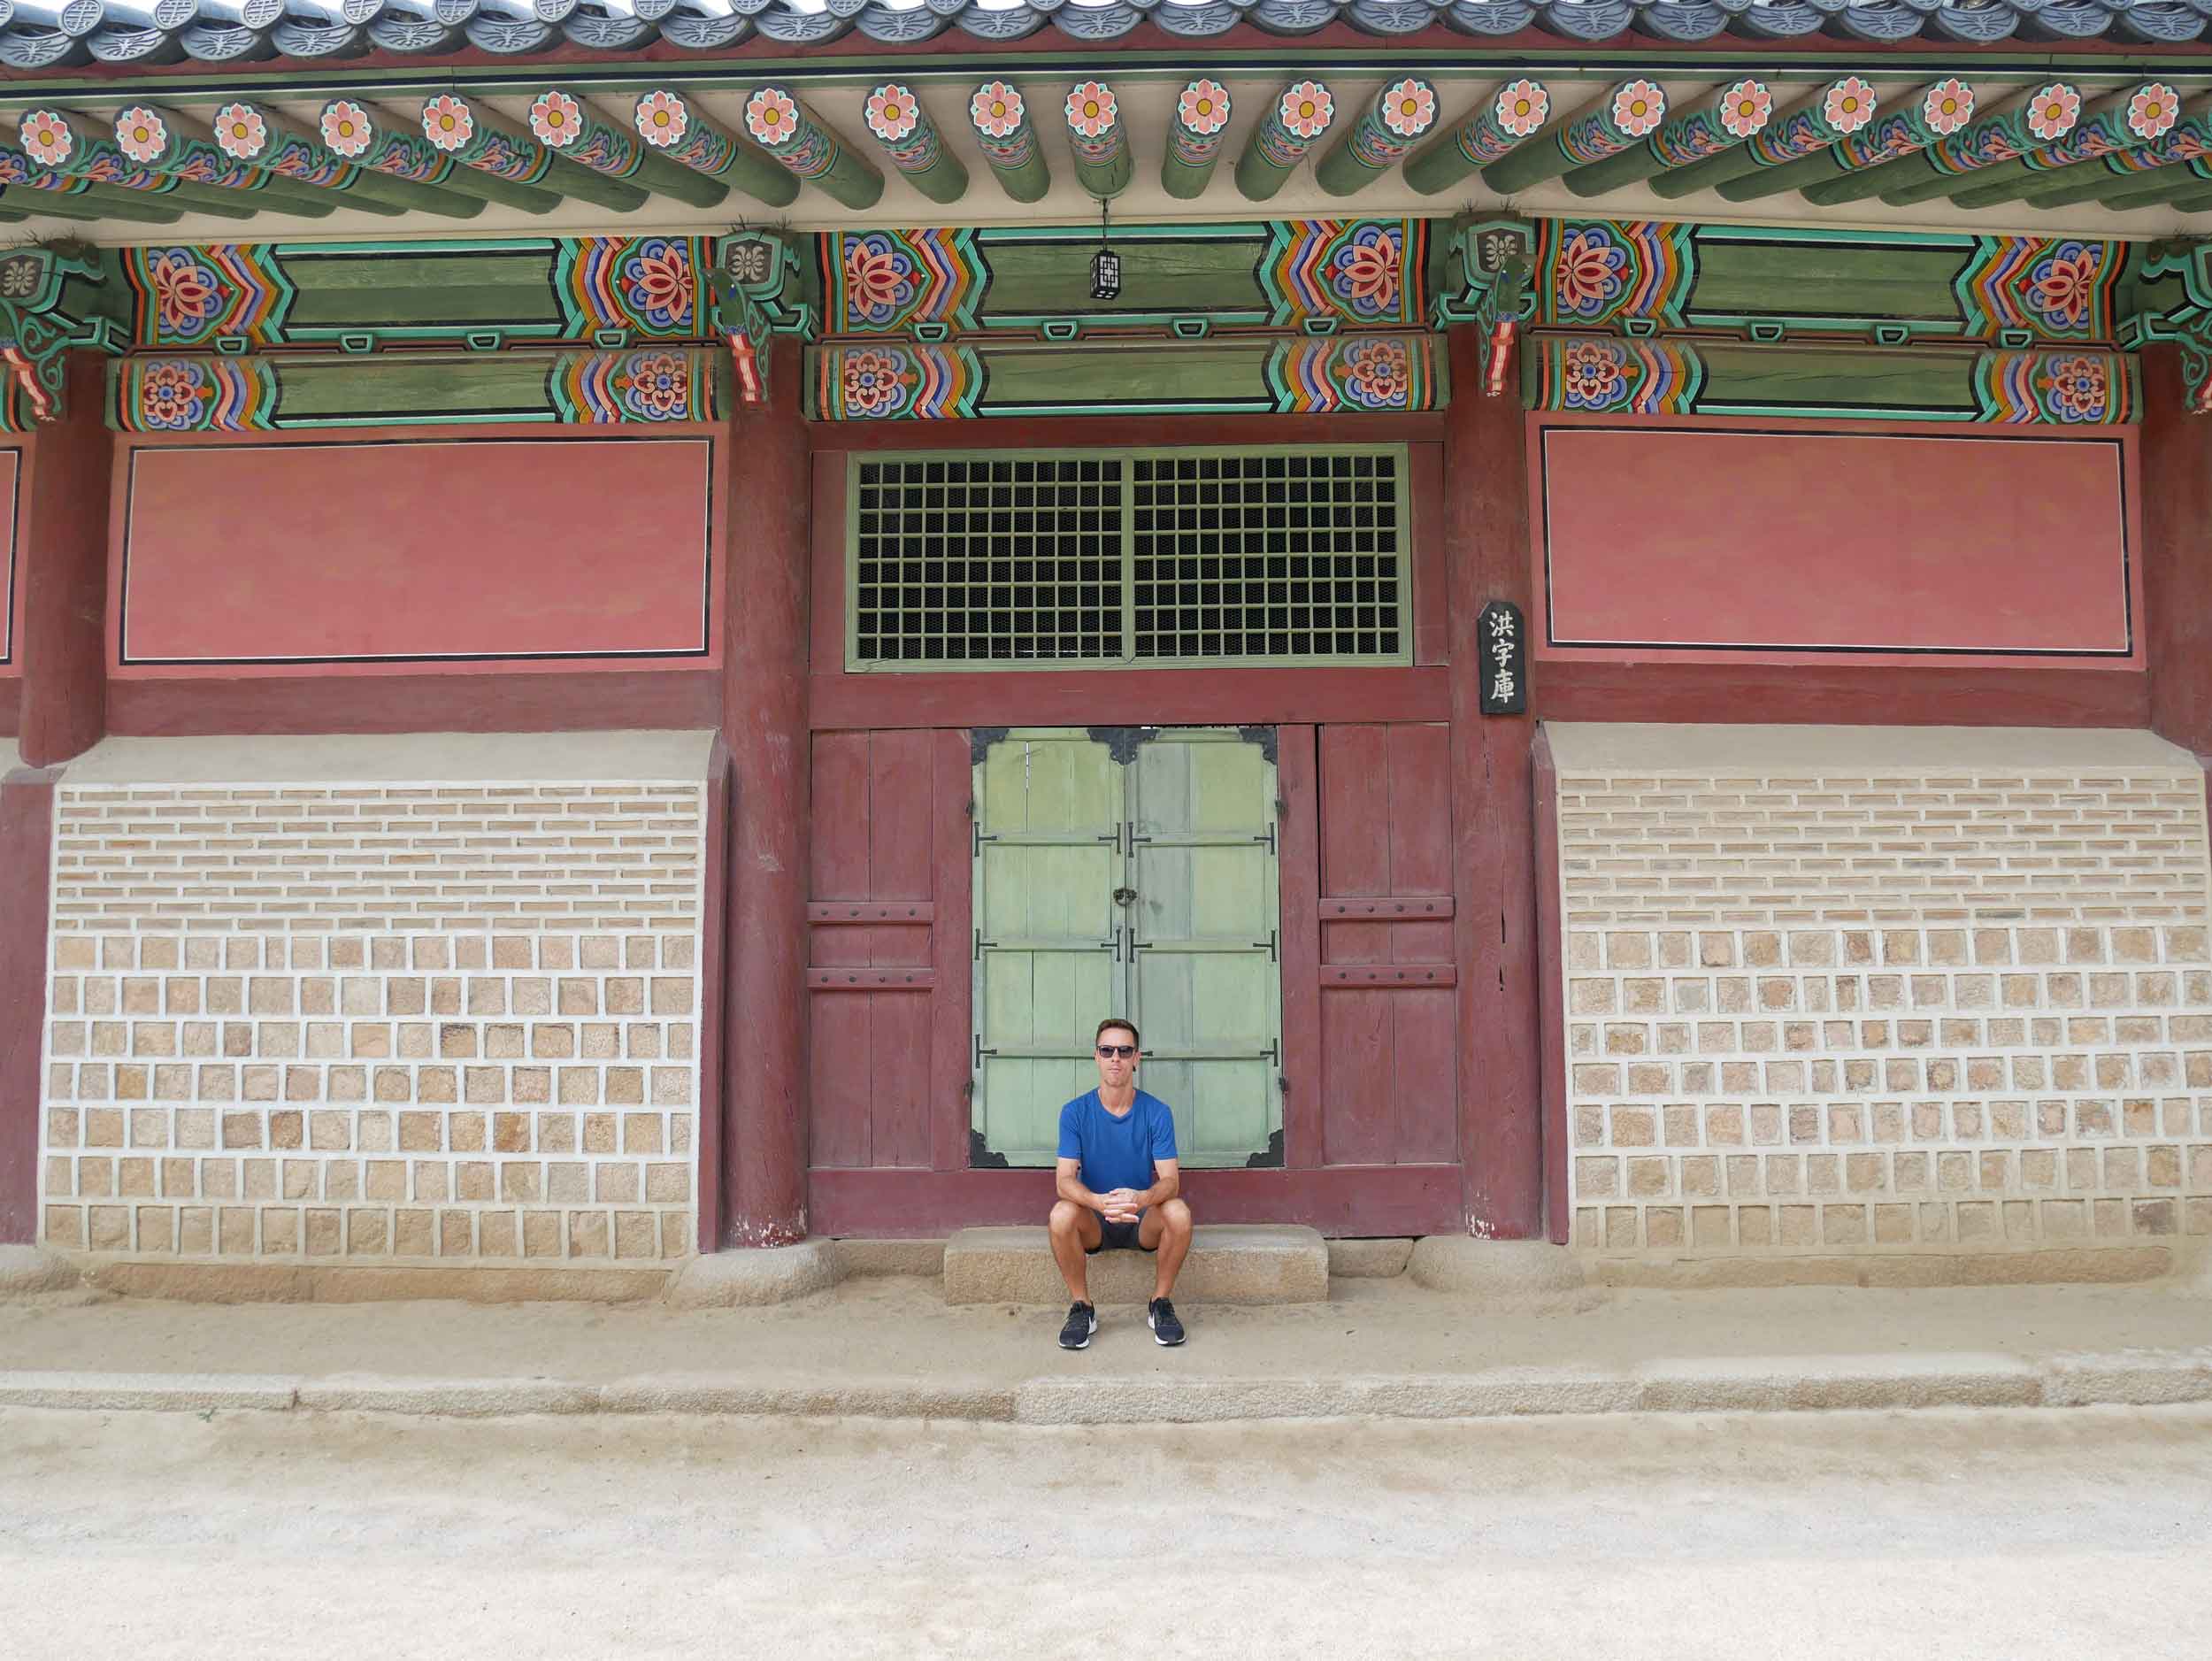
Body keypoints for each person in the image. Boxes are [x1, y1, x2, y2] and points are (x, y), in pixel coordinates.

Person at [1047, 1017, 1194, 1350]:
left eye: (1125, 1051)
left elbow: (1171, 1182)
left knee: (1179, 1212)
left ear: (1136, 1058)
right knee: (1060, 1214)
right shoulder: (1074, 1112)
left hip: (1141, 1218)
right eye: (1107, 1050)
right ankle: (1082, 1306)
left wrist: (1142, 1198)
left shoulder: (1157, 1112)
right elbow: (1064, 1181)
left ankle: (1160, 1304)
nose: (1116, 1058)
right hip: (1094, 1220)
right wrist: (1099, 1202)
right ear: (1096, 1057)